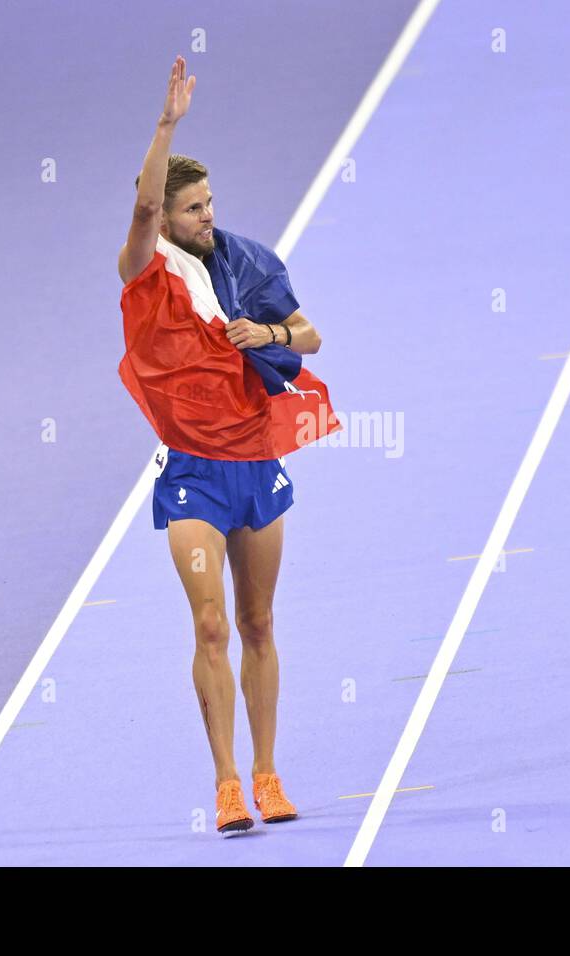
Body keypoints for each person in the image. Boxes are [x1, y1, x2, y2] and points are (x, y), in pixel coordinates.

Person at [116, 56, 341, 834]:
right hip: (193, 477)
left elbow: (310, 335)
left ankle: (270, 774)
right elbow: (142, 208)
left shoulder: (246, 259)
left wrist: (269, 333)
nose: (205, 217)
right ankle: (225, 785)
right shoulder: (148, 271)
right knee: (209, 625)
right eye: (192, 208)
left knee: (257, 623)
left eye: (209, 204)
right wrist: (166, 125)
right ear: (167, 219)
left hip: (255, 462)